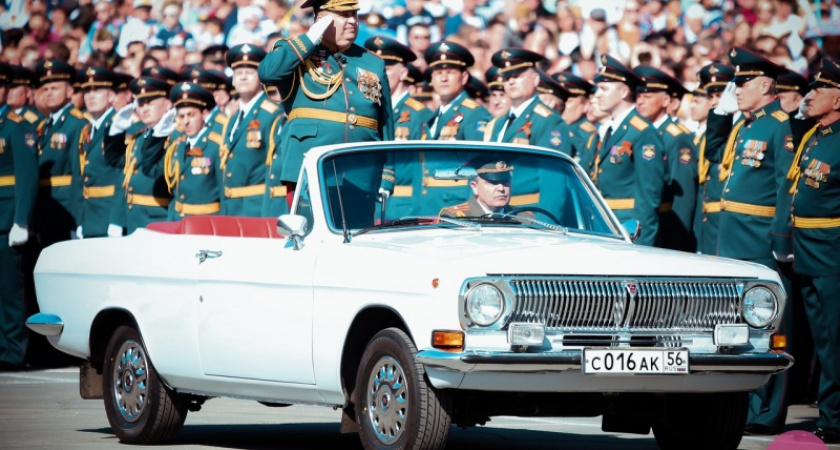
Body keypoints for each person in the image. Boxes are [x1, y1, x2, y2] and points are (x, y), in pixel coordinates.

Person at [707, 47, 794, 436]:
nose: (736, 89)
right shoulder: (745, 124)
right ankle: (739, 407)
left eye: (743, 83)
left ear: (764, 84)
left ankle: (766, 413)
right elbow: (714, 157)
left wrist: (780, 238)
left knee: (765, 327)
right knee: (732, 328)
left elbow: (784, 188)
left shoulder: (779, 126)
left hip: (759, 239)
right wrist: (719, 116)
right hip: (733, 237)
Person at [258, 0, 395, 218]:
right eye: (343, 15)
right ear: (322, 20)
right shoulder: (297, 52)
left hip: (361, 170)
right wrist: (311, 38)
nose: (352, 20)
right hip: (312, 167)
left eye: (354, 14)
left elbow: (385, 122)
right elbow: (268, 72)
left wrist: (387, 172)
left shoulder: (372, 62)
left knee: (357, 240)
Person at [787, 57, 840, 445]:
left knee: (836, 341)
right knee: (823, 340)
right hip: (807, 249)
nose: (810, 95)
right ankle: (831, 415)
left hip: (833, 253)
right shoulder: (816, 135)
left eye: (819, 89)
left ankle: (835, 417)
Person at [590, 54, 666, 246]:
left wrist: (642, 243)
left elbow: (648, 197)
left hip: (627, 229)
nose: (597, 94)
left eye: (604, 89)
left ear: (624, 92)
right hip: (606, 225)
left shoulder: (642, 132)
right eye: (598, 88)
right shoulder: (612, 129)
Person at [633, 65, 698, 252]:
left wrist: (678, 240)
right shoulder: (641, 132)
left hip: (667, 227)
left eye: (648, 96)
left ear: (666, 100)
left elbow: (683, 194)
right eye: (638, 96)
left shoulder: (676, 137)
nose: (640, 102)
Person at [214, 43, 282, 217]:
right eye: (238, 73)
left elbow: (275, 170)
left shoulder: (272, 114)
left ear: (261, 77)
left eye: (250, 72)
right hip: (231, 208)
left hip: (257, 208)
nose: (243, 78)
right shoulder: (233, 117)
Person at [0, 64, 38, 372]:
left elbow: (26, 177)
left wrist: (21, 220)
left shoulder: (15, 126)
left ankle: (13, 351)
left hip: (6, 219)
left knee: (10, 290)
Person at [106, 74, 178, 235]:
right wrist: (115, 131)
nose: (144, 108)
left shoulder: (174, 137)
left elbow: (155, 170)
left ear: (167, 105)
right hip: (134, 217)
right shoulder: (140, 136)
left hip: (158, 217)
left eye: (150, 103)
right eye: (140, 103)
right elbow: (116, 162)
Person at [33, 59, 88, 248]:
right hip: (44, 205)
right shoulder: (44, 125)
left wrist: (75, 218)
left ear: (70, 91)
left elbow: (77, 173)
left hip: (64, 207)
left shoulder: (77, 123)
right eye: (45, 89)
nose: (48, 93)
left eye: (55, 88)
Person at [159, 82, 224, 220]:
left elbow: (224, 191)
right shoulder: (177, 146)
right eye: (181, 117)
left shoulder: (216, 145)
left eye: (191, 115)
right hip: (177, 219)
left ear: (204, 114)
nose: (186, 121)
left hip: (206, 221)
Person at [693, 63, 735, 255]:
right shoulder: (708, 135)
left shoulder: (741, 130)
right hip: (707, 224)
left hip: (728, 222)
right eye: (710, 96)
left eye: (719, 95)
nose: (713, 101)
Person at [76, 66, 122, 238]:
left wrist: (117, 220)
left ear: (110, 96)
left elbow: (122, 175)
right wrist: (80, 219)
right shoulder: (87, 129)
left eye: (97, 90)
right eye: (87, 91)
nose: (90, 95)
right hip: (89, 213)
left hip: (109, 211)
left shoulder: (118, 126)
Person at [424, 40, 491, 141]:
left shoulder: (475, 113)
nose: (443, 79)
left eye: (450, 72)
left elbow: (477, 155)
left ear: (464, 77)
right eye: (439, 73)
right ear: (432, 78)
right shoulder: (433, 117)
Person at [440, 160, 516, 217]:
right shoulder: (454, 218)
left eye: (506, 182)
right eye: (493, 183)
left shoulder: (524, 218)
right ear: (475, 187)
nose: (501, 188)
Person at [553, 72, 598, 166]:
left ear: (585, 105)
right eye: (561, 101)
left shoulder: (587, 135)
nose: (562, 106)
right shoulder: (552, 126)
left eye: (568, 102)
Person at [181, 67, 230, 136]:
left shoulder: (224, 125)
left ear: (215, 95)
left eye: (202, 94)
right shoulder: (181, 125)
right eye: (192, 95)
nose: (194, 99)